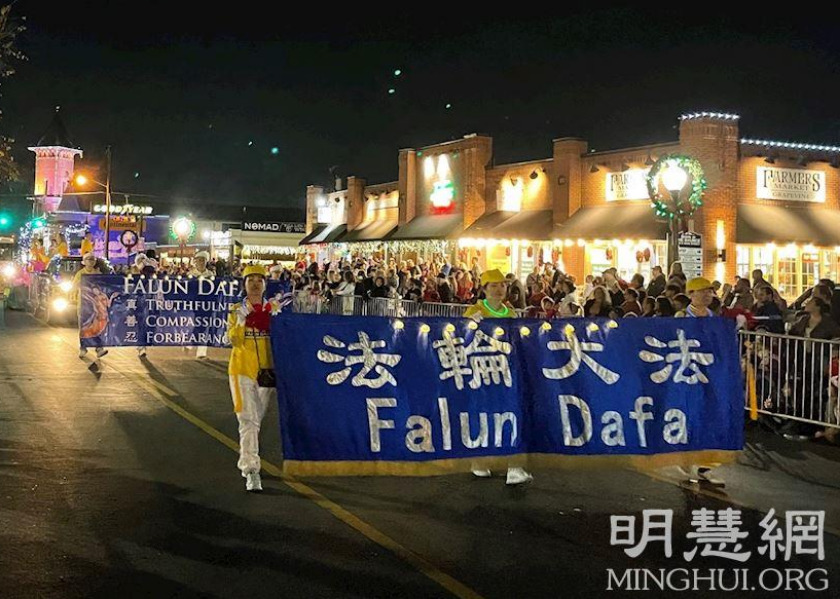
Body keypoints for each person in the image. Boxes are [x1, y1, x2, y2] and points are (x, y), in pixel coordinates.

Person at [464, 269, 532, 485]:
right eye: (493, 285)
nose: (499, 289)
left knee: (510, 416)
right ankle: (480, 461)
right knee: (484, 417)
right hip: (482, 373)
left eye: (502, 284)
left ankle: (514, 466)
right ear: (484, 289)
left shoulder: (510, 313)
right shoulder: (474, 311)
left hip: (506, 374)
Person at [227, 265, 282, 492]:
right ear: (245, 284)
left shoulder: (274, 308)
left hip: (267, 373)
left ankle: (250, 458)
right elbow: (234, 340)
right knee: (247, 419)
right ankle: (251, 470)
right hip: (242, 370)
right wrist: (241, 321)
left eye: (260, 279)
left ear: (265, 284)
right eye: (251, 280)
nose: (256, 283)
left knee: (255, 421)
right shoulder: (236, 309)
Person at [74, 252, 109, 360]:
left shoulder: (98, 273)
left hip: (96, 306)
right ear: (84, 262)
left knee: (98, 327)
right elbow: (74, 286)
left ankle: (99, 349)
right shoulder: (80, 274)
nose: (91, 261)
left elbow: (104, 286)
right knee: (84, 328)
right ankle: (83, 348)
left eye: (93, 259)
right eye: (88, 259)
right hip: (84, 305)